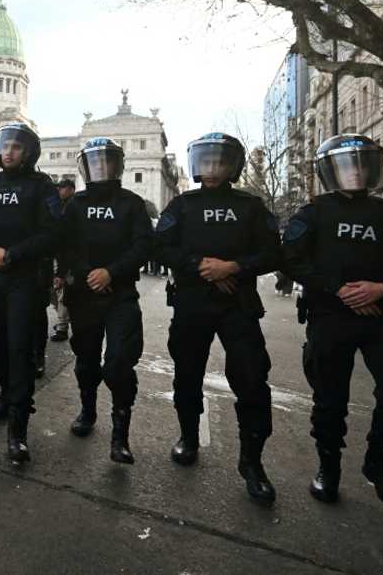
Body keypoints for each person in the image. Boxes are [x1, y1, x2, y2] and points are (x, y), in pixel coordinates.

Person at [283, 134, 383, 508]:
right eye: (347, 165)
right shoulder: (313, 212)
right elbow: (293, 260)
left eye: (362, 164)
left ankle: (378, 462)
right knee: (330, 403)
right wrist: (338, 290)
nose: (356, 172)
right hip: (330, 318)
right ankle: (328, 468)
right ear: (330, 172)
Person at [155, 132, 280, 502]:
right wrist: (201, 268)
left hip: (237, 305)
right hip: (193, 302)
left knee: (252, 379)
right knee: (187, 373)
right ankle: (188, 437)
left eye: (219, 161)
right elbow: (160, 246)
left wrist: (235, 268)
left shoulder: (251, 206)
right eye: (205, 160)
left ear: (232, 166)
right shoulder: (182, 205)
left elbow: (274, 253)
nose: (211, 168)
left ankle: (252, 461)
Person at [0, 123, 62, 463]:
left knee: (19, 344)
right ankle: (5, 390)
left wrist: (12, 254)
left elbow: (52, 232)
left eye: (17, 147)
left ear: (29, 152)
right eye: (5, 145)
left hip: (24, 276)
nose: (9, 152)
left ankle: (18, 426)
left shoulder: (41, 186)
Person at [58, 138, 152, 463]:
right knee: (86, 359)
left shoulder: (132, 204)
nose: (101, 168)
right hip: (84, 295)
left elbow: (142, 246)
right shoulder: (75, 204)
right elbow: (65, 246)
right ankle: (88, 410)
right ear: (85, 167)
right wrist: (87, 274)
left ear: (118, 166)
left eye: (107, 162)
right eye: (95, 162)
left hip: (120, 294)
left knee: (119, 362)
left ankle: (120, 436)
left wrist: (111, 273)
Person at [49, 178, 76, 343]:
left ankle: (62, 327)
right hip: (59, 253)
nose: (59, 191)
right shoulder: (62, 205)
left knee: (62, 291)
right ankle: (64, 320)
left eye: (62, 188)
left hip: (67, 255)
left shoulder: (72, 206)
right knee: (57, 291)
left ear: (71, 188)